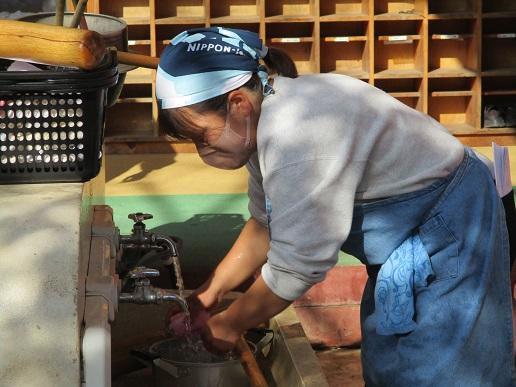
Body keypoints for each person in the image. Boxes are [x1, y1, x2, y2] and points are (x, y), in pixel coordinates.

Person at [156, 27, 516, 386]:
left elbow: (296, 265)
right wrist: (210, 292)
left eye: (200, 136)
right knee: (392, 367)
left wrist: (232, 323)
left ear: (237, 104)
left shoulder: (296, 135)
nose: (200, 151)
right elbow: (266, 222)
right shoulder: (260, 122)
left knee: (444, 372)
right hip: (406, 241)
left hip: (453, 228)